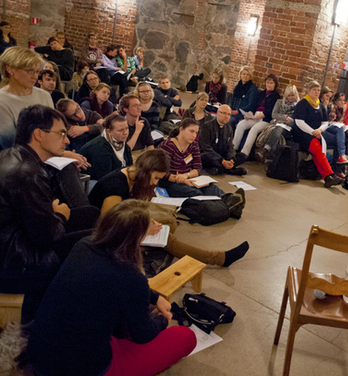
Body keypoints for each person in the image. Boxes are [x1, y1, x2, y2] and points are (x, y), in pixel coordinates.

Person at [24, 199, 197, 376]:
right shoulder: (130, 275)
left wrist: (155, 297)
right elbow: (143, 335)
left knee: (117, 317)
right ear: (139, 236)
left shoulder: (84, 245)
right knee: (185, 337)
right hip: (83, 368)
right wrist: (163, 319)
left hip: (38, 354)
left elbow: (117, 285)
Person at [0, 105, 100, 323]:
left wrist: (54, 213)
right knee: (94, 245)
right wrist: (60, 215)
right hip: (14, 264)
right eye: (62, 133)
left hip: (15, 240)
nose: (66, 141)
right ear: (38, 134)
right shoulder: (26, 173)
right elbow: (47, 237)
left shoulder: (13, 155)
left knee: (90, 214)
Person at [88, 151, 249, 261]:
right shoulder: (115, 187)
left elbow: (136, 209)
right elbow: (107, 226)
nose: (156, 183)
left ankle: (155, 247)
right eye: (156, 177)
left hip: (123, 222)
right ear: (147, 171)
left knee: (169, 222)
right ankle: (218, 258)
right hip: (104, 234)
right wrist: (143, 228)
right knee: (168, 238)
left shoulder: (134, 177)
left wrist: (148, 221)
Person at [158, 118, 227, 197]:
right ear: (181, 129)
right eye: (191, 131)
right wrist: (181, 179)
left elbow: (198, 169)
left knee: (212, 188)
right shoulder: (168, 145)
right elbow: (161, 172)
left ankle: (228, 201)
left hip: (187, 178)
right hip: (170, 181)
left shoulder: (193, 145)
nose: (194, 135)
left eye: (196, 133)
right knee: (195, 193)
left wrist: (186, 175)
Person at [292, 81, 342, 187]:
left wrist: (319, 130)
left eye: (318, 90)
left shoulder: (320, 106)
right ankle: (329, 174)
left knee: (318, 151)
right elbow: (299, 122)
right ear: (308, 91)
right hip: (302, 134)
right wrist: (313, 132)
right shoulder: (302, 104)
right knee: (317, 149)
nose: (316, 92)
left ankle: (327, 177)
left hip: (316, 134)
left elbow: (325, 123)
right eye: (314, 90)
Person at [0, 46, 52, 149]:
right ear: (10, 69)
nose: (35, 77)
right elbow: (11, 144)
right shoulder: (2, 101)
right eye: (29, 71)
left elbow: (53, 131)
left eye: (37, 72)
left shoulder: (44, 95)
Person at [233, 73, 281, 160]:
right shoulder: (261, 93)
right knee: (241, 124)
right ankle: (233, 148)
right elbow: (254, 105)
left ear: (275, 84)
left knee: (254, 129)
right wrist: (250, 113)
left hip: (265, 120)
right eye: (267, 82)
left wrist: (255, 116)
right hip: (255, 116)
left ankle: (244, 153)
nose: (268, 85)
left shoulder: (276, 96)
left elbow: (269, 112)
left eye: (271, 83)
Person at [80, 113, 132, 182]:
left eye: (126, 128)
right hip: (93, 182)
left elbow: (130, 168)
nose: (125, 133)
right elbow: (105, 178)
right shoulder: (100, 147)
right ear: (109, 131)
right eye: (120, 130)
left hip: (115, 180)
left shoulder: (121, 142)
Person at [255, 84, 299, 164]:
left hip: (288, 129)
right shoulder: (279, 102)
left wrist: (281, 120)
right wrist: (285, 118)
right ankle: (269, 159)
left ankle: (264, 150)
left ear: (296, 95)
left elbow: (294, 121)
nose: (290, 97)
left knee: (279, 129)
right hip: (276, 125)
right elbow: (273, 114)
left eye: (292, 95)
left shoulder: (298, 106)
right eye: (288, 95)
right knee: (277, 132)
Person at [199, 105, 247, 176]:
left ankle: (220, 168)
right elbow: (205, 147)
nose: (226, 116)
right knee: (205, 157)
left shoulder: (229, 128)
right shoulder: (207, 126)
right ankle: (229, 170)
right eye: (224, 113)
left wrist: (230, 159)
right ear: (218, 113)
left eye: (229, 114)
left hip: (223, 156)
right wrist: (222, 160)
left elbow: (230, 146)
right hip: (211, 155)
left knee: (243, 156)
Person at [323, 91, 348, 166]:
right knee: (340, 132)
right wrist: (339, 124)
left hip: (336, 128)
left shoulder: (342, 109)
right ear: (336, 101)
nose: (342, 102)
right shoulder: (331, 107)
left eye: (343, 100)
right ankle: (342, 155)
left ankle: (340, 167)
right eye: (340, 100)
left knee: (347, 135)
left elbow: (341, 121)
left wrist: (341, 124)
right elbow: (328, 121)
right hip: (327, 127)